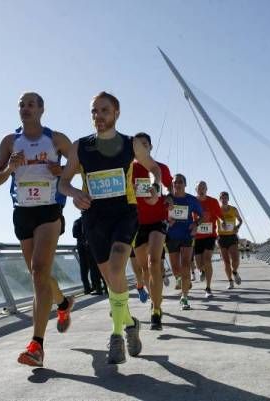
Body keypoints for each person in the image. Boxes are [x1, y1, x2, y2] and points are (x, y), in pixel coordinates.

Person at [58, 91, 162, 364]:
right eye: (94, 111)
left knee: (117, 268)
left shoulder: (131, 144)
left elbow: (154, 169)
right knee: (112, 281)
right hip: (94, 218)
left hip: (124, 214)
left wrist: (155, 187)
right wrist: (74, 194)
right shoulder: (80, 147)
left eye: (104, 110)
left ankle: (116, 336)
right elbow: (64, 181)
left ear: (116, 113)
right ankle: (130, 323)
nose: (98, 116)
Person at [0, 92, 74, 367]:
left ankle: (36, 345)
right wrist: (9, 168)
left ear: (41, 109)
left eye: (30, 104)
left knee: (39, 270)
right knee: (39, 275)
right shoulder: (10, 141)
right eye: (21, 105)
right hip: (22, 212)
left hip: (49, 211)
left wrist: (60, 170)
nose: (25, 108)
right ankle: (62, 304)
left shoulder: (56, 139)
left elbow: (78, 165)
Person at [131, 132, 173, 330]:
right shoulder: (129, 169)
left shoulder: (160, 168)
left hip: (158, 219)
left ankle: (156, 311)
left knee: (154, 261)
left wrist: (170, 198)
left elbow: (170, 188)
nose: (142, 148)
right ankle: (155, 300)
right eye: (138, 145)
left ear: (150, 147)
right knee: (144, 268)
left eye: (145, 144)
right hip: (138, 223)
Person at [166, 174, 202, 310]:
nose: (177, 184)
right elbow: (160, 214)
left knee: (186, 264)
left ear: (185, 184)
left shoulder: (191, 200)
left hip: (187, 235)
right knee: (175, 267)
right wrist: (168, 220)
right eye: (175, 182)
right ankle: (180, 280)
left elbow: (202, 216)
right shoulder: (168, 199)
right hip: (171, 236)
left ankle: (184, 297)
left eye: (180, 182)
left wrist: (196, 224)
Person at [193, 181, 222, 298]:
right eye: (199, 187)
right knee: (198, 263)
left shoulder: (213, 201)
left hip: (210, 235)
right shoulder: (192, 201)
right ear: (196, 189)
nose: (201, 189)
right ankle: (202, 271)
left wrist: (223, 222)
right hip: (197, 236)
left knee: (207, 259)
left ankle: (208, 288)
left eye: (203, 187)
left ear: (206, 189)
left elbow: (220, 215)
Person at [73, 215, 107, 295]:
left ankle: (88, 289)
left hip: (82, 247)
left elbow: (74, 234)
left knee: (84, 269)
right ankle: (104, 288)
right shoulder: (92, 220)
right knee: (96, 268)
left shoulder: (77, 222)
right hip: (92, 246)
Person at [217, 191, 243, 289]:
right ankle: (230, 281)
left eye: (225, 198)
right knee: (226, 262)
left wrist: (238, 226)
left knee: (235, 259)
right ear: (220, 199)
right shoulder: (217, 210)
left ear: (228, 199)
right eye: (222, 198)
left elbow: (240, 220)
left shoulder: (233, 209)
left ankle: (235, 272)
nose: (224, 200)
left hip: (232, 236)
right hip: (222, 237)